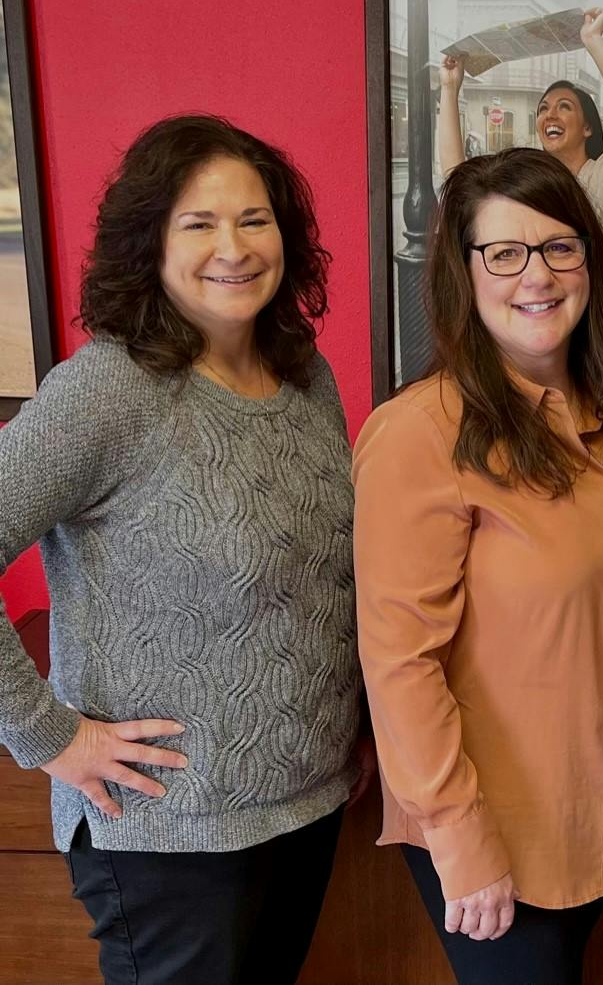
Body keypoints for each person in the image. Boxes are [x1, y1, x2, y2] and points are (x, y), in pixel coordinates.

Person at [0, 114, 370, 985]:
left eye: (254, 219)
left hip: (305, 804)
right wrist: (48, 737)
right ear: (149, 244)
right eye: (197, 223)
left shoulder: (306, 377)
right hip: (169, 831)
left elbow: (321, 578)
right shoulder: (109, 389)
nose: (232, 247)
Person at [352, 147, 603, 985]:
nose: (536, 275)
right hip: (491, 829)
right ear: (462, 273)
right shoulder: (421, 435)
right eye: (503, 253)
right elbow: (398, 661)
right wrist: (459, 837)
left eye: (558, 246)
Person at [437, 8, 603, 294]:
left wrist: (593, 41)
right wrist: (450, 90)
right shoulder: (532, 182)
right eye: (543, 109)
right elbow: (458, 182)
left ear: (587, 127)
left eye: (564, 107)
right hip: (553, 324)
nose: (550, 115)